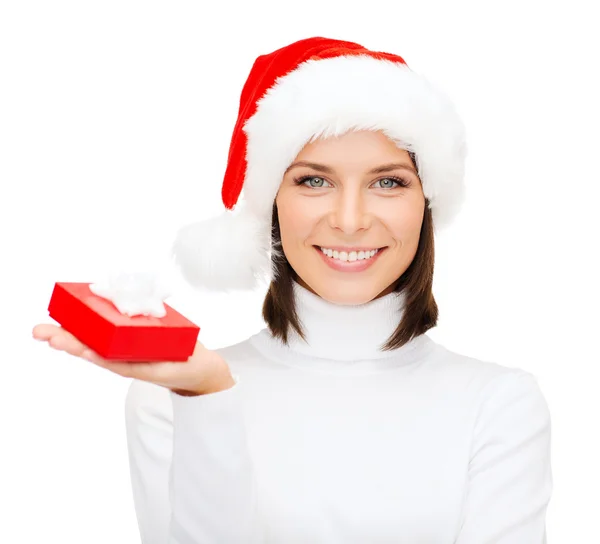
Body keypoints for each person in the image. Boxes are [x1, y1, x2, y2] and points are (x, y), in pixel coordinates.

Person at [32, 37, 553, 543]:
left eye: (388, 182)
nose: (350, 221)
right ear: (270, 203)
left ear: (427, 202)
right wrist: (207, 397)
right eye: (313, 181)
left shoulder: (499, 404)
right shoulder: (171, 396)